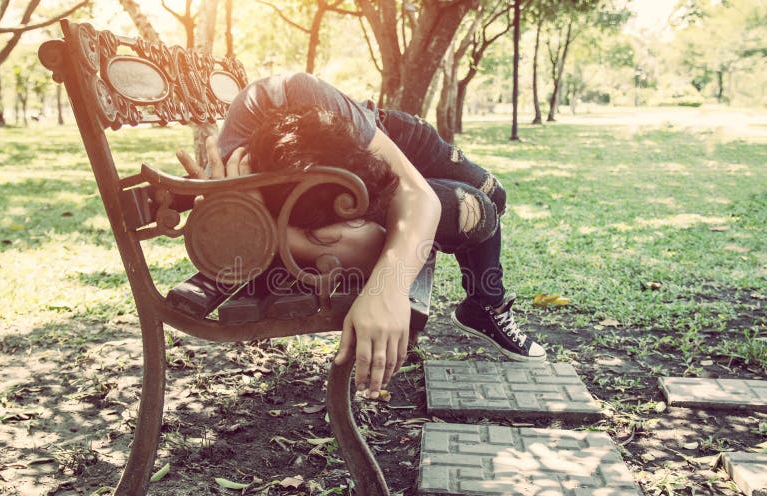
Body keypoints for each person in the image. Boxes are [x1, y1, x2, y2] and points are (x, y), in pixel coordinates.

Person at [177, 72, 546, 400]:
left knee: (495, 195)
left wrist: (388, 288)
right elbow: (370, 244)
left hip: (387, 134)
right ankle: (485, 305)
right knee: (475, 211)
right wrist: (265, 228)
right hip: (339, 181)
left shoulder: (303, 95)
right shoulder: (238, 178)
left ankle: (483, 303)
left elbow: (416, 195)